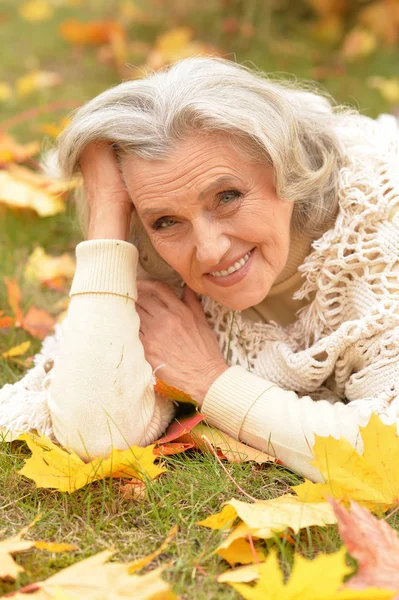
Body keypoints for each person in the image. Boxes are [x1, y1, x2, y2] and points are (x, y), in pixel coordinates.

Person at [1, 57, 399, 482]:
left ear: (284, 165)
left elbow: (387, 457)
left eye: (227, 196)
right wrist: (107, 215)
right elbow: (95, 430)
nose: (209, 252)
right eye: (166, 221)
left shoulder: (376, 232)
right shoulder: (155, 258)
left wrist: (211, 382)